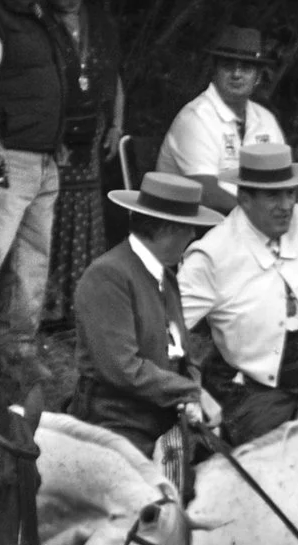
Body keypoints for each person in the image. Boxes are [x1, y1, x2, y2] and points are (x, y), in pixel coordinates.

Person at [178, 140, 298, 445]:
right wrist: (186, 386)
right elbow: (167, 330)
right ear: (244, 198)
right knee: (283, 465)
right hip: (253, 392)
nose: (287, 205)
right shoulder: (212, 254)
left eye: (291, 193)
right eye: (273, 195)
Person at [0, 0, 76, 376]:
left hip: (42, 158)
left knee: (33, 262)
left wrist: (54, 138)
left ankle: (19, 347)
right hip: (2, 157)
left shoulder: (39, 18)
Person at [69, 170, 222, 456]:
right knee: (155, 492)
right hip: (117, 416)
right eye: (188, 227)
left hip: (163, 409)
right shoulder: (108, 275)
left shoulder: (164, 273)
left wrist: (193, 393)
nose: (192, 235)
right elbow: (122, 368)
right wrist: (190, 393)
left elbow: (181, 353)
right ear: (165, 228)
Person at [39, 0, 121, 335]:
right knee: (56, 215)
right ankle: (51, 308)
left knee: (87, 213)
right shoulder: (39, 21)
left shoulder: (99, 23)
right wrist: (50, 131)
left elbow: (115, 75)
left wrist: (117, 124)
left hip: (93, 130)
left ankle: (82, 306)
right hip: (57, 132)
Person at [155, 26, 282, 197]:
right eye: (228, 66)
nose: (236, 74)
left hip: (250, 217)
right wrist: (260, 214)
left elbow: (282, 177)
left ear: (258, 77)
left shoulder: (265, 119)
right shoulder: (196, 117)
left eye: (246, 68)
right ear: (214, 72)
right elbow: (205, 192)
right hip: (195, 219)